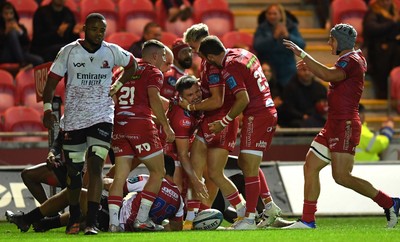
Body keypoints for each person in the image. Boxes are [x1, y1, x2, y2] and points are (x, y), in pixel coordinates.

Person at [282, 23, 400, 229]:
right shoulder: (349, 59)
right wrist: (310, 65)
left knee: (342, 177)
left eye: (332, 39)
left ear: (342, 42)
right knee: (310, 166)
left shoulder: (352, 60)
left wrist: (303, 55)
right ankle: (308, 220)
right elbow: (329, 73)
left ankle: (390, 203)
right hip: (333, 123)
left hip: (345, 124)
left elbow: (329, 75)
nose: (329, 42)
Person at [42, 13, 137, 235]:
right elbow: (51, 81)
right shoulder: (69, 51)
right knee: (74, 173)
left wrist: (118, 83)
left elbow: (133, 66)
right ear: (84, 28)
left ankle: (91, 222)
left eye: (102, 29)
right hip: (74, 119)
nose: (99, 33)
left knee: (96, 167)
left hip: (102, 116)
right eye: (94, 29)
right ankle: (75, 213)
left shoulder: (112, 51)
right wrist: (47, 110)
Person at [198, 35, 279, 230]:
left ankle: (249, 218)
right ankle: (269, 207)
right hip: (266, 109)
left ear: (209, 57)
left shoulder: (228, 68)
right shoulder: (243, 53)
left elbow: (242, 99)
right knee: (245, 162)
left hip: (257, 115)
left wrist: (223, 122)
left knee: (249, 168)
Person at [5, 155, 183, 232]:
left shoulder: (148, 180)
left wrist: (102, 181)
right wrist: (154, 225)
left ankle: (27, 220)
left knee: (76, 194)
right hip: (119, 216)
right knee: (88, 203)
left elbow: (115, 186)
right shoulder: (179, 200)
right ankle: (45, 224)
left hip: (115, 218)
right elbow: (177, 227)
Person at [108, 39, 175, 232]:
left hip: (119, 126)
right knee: (158, 172)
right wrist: (166, 125)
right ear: (154, 56)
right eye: (163, 56)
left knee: (120, 175)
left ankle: (114, 223)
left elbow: (112, 96)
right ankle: (142, 219)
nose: (164, 60)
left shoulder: (121, 71)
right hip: (141, 126)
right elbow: (154, 98)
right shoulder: (153, 72)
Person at [162, 75, 208, 227]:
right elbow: (181, 153)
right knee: (177, 190)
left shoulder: (197, 105)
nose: (195, 97)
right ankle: (163, 223)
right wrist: (196, 180)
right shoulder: (183, 118)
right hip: (171, 152)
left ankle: (191, 221)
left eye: (197, 92)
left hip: (184, 150)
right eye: (190, 95)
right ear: (181, 96)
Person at [253, 3, 305, 92]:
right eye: (269, 14)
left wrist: (289, 36)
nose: (272, 16)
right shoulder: (262, 28)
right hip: (268, 69)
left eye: (275, 14)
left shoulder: (291, 27)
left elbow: (301, 45)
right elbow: (257, 45)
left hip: (287, 69)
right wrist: (273, 37)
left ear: (281, 15)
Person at [362, 0, 400, 99]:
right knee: (387, 54)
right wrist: (391, 24)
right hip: (376, 47)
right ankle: (383, 91)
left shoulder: (395, 12)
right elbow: (371, 29)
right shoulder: (373, 12)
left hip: (394, 45)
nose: (386, 2)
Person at [21, 129, 67, 204]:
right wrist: (52, 153)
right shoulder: (65, 121)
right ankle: (51, 212)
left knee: (78, 210)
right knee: (27, 175)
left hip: (85, 172)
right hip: (68, 167)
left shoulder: (90, 121)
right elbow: (59, 141)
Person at [0, 1, 43, 68]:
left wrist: (19, 31)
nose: (9, 16)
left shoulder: (20, 27)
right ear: (1, 15)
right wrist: (5, 33)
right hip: (5, 55)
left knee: (39, 60)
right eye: (6, 14)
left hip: (20, 54)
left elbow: (27, 44)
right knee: (12, 33)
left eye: (11, 13)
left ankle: (24, 64)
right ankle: (23, 62)